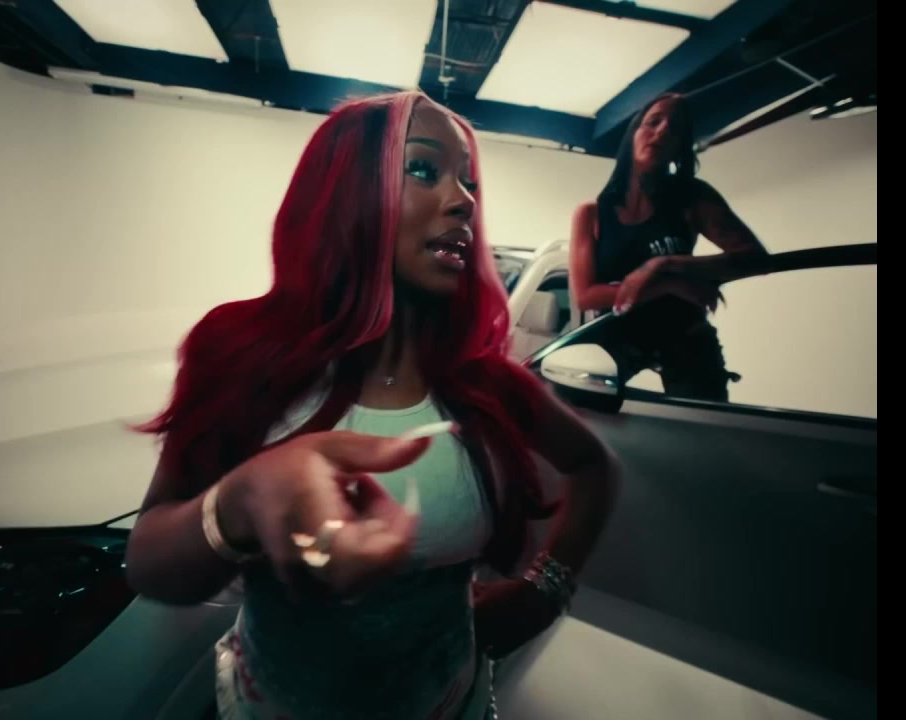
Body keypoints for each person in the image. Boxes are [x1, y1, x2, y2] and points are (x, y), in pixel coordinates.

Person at [125, 91, 622, 720]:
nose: (465, 201)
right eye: (424, 168)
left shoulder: (487, 383)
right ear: (347, 190)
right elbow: (148, 565)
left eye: (468, 181)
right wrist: (240, 500)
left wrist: (544, 593)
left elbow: (596, 466)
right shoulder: (239, 353)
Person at [569, 92, 768, 402]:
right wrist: (668, 285)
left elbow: (755, 259)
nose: (662, 131)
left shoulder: (693, 198)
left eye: (674, 129)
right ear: (634, 133)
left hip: (684, 335)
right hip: (618, 333)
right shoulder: (592, 213)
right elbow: (586, 296)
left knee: (702, 421)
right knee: (572, 400)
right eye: (654, 122)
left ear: (679, 147)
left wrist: (662, 265)